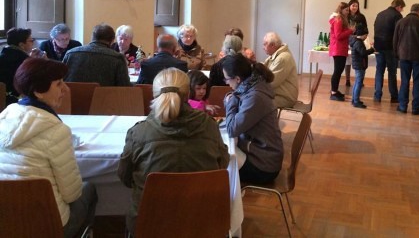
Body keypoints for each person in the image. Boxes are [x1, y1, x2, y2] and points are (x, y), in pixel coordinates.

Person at [117, 67, 229, 235]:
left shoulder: (139, 133)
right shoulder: (210, 127)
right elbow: (222, 165)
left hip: (149, 225)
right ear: (188, 93)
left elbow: (125, 177)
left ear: (154, 94)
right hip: (202, 222)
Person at [0, 58, 98, 237]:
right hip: (48, 225)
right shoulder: (56, 131)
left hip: (5, 222)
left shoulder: (4, 118)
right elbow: (71, 194)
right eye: (59, 84)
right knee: (89, 189)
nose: (65, 89)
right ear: (39, 91)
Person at [222, 54, 283, 184]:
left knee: (219, 162)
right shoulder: (253, 86)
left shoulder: (255, 97)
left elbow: (232, 129)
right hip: (260, 154)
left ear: (237, 79)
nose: (226, 82)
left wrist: (231, 101)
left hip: (264, 166)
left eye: (227, 79)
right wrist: (233, 98)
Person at [393, 3, 419, 115]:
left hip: (403, 56)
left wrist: (396, 54)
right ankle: (416, 107)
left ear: (411, 10)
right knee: (418, 81)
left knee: (404, 81)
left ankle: (402, 106)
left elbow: (395, 40)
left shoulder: (400, 22)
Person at [63, 23, 131, 86]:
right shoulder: (117, 58)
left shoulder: (70, 54)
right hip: (104, 95)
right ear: (112, 41)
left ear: (92, 38)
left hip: (73, 95)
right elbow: (125, 87)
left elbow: (61, 80)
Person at [373, 0, 406, 103]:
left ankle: (377, 95)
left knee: (379, 71)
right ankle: (394, 96)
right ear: (399, 6)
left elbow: (375, 28)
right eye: (402, 8)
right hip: (390, 47)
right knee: (392, 72)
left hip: (378, 46)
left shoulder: (380, 14)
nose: (402, 10)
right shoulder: (397, 15)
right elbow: (399, 32)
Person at [0, 27, 41, 106]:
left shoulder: (4, 54)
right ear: (21, 45)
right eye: (31, 41)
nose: (33, 43)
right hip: (15, 101)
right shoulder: (24, 61)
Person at [262, 31, 299, 109]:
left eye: (265, 44)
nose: (263, 47)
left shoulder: (282, 58)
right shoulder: (278, 53)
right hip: (279, 93)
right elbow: (265, 67)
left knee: (255, 101)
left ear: (272, 45)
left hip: (285, 97)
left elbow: (271, 82)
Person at [328, 2, 355, 101]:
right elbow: (338, 36)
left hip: (341, 48)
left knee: (339, 70)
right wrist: (350, 31)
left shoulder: (341, 19)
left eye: (348, 10)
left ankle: (335, 90)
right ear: (341, 10)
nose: (348, 12)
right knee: (337, 71)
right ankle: (333, 93)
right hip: (338, 48)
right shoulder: (338, 20)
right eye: (346, 10)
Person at [345, 0, 369, 87]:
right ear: (349, 6)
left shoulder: (361, 17)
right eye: (353, 5)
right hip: (348, 40)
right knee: (348, 61)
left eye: (356, 6)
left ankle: (360, 80)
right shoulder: (346, 16)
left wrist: (364, 36)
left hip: (359, 40)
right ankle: (347, 79)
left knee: (361, 60)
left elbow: (366, 29)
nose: (355, 7)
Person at [349, 25, 375, 109]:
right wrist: (372, 49)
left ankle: (354, 100)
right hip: (360, 65)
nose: (366, 37)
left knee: (357, 82)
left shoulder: (356, 41)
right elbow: (363, 53)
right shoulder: (358, 43)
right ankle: (356, 101)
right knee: (358, 83)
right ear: (363, 35)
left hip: (358, 65)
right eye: (366, 35)